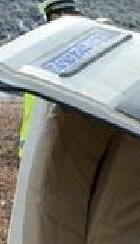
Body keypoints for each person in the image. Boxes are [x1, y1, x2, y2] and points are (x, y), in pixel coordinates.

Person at [18, 0, 82, 159]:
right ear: (54, 17)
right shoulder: (51, 53)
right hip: (40, 147)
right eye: (69, 14)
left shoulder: (51, 49)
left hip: (45, 146)